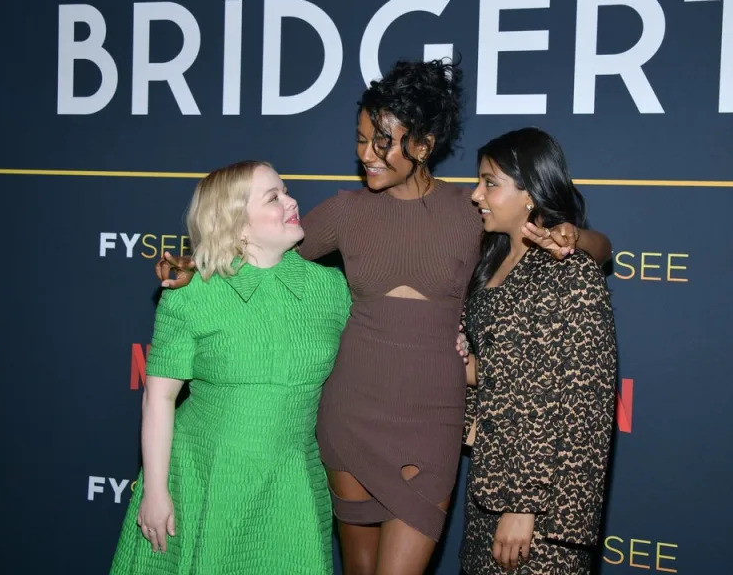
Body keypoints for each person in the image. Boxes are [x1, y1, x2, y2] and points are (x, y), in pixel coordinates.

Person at [156, 60, 613, 574]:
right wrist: (200, 263)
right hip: (352, 417)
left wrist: (575, 236)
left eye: (382, 142)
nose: (366, 155)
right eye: (361, 139)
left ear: (422, 144)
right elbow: (264, 249)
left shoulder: (472, 209)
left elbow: (599, 248)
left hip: (433, 422)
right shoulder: (345, 212)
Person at [111, 161, 351, 574]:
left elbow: (380, 349)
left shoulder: (331, 289)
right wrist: (155, 490)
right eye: (273, 197)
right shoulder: (192, 294)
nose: (291, 201)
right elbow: (159, 397)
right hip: (203, 475)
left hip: (290, 479)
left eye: (286, 191)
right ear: (237, 224)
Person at [457, 128, 618, 574]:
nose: (476, 195)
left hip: (538, 513)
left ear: (530, 193)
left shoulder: (572, 274)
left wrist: (524, 505)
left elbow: (582, 404)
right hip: (489, 484)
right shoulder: (492, 259)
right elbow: (504, 369)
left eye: (490, 182)